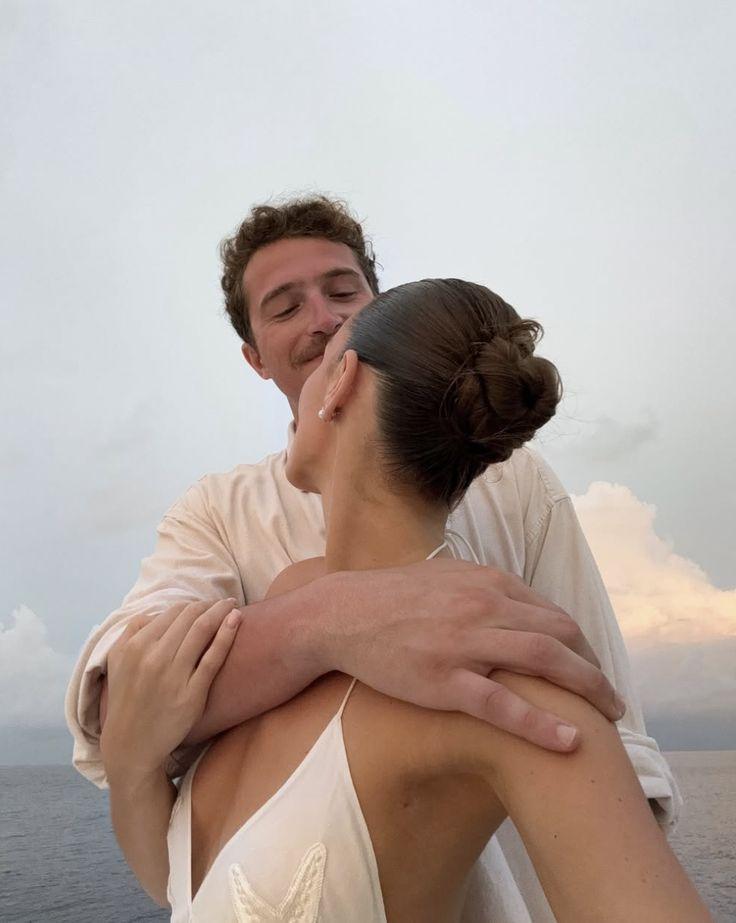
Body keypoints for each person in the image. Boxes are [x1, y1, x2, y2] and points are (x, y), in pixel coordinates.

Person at [65, 195, 681, 922]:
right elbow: (123, 702)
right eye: (285, 306)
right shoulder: (223, 516)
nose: (321, 318)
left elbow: (610, 724)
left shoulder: (518, 501)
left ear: (359, 348)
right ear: (255, 356)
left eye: (342, 292)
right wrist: (332, 619)